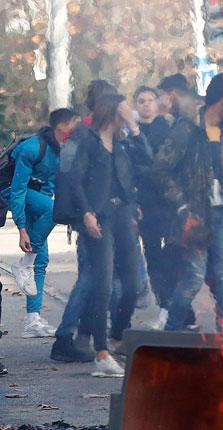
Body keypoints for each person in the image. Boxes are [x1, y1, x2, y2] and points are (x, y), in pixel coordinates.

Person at [65, 93, 152, 376]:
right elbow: (75, 180)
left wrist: (134, 127)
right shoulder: (89, 141)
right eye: (124, 111)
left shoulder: (123, 142)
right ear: (112, 112)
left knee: (133, 283)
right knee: (102, 285)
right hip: (99, 218)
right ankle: (101, 353)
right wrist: (86, 213)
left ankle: (116, 336)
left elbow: (148, 160)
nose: (127, 116)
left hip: (123, 215)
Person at [154, 72, 223, 332]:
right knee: (193, 277)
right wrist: (181, 205)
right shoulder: (187, 129)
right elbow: (160, 169)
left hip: (222, 214)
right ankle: (172, 330)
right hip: (193, 216)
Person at [51, 80, 120, 364]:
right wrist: (84, 213)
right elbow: (72, 178)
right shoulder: (87, 133)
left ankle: (82, 334)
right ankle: (66, 337)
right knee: (92, 278)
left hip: (97, 215)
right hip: (91, 217)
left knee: (96, 278)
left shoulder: (99, 132)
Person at [5, 108, 77, 338]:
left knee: (41, 260)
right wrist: (21, 228)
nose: (77, 128)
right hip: (11, 191)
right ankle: (24, 263)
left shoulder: (64, 149)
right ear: (62, 126)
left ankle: (32, 322)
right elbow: (17, 190)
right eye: (74, 123)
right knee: (55, 209)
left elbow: (51, 188)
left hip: (37, 199)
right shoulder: (32, 148)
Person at [133, 85, 172, 330]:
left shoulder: (167, 129)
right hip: (145, 205)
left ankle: (177, 309)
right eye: (141, 100)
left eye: (149, 100)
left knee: (174, 257)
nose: (146, 104)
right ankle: (164, 306)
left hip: (168, 202)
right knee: (153, 258)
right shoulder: (130, 132)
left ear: (157, 103)